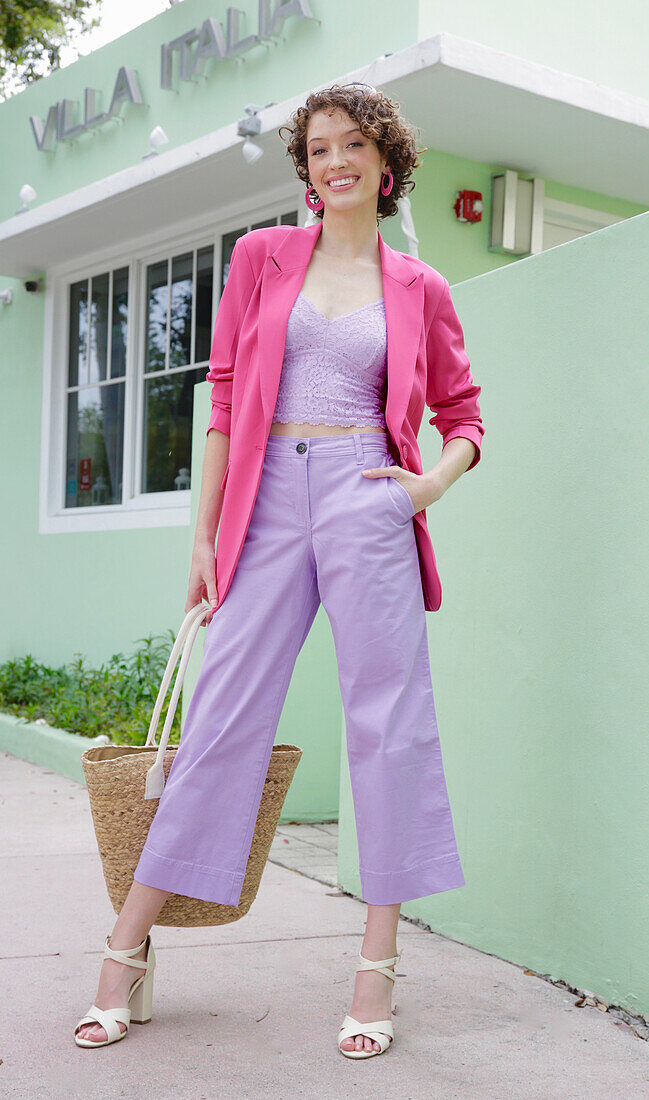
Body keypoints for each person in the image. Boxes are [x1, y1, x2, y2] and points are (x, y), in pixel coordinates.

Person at [74, 81, 483, 1059]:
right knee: (222, 714)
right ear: (304, 168)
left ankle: (377, 961)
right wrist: (203, 537)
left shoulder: (420, 288)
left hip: (367, 495)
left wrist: (425, 486)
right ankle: (127, 947)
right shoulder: (261, 259)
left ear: (386, 162)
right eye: (316, 147)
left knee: (384, 720)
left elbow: (466, 418)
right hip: (265, 503)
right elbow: (222, 397)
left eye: (351, 144)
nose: (332, 160)